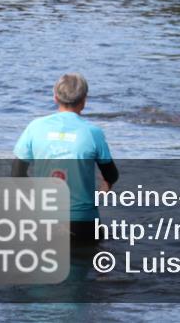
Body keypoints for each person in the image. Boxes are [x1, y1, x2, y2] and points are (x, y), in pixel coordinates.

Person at [12, 73, 119, 245]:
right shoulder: (93, 133)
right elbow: (112, 174)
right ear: (84, 100)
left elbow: (17, 175)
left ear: (55, 97)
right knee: (92, 262)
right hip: (83, 224)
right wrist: (106, 184)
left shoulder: (35, 127)